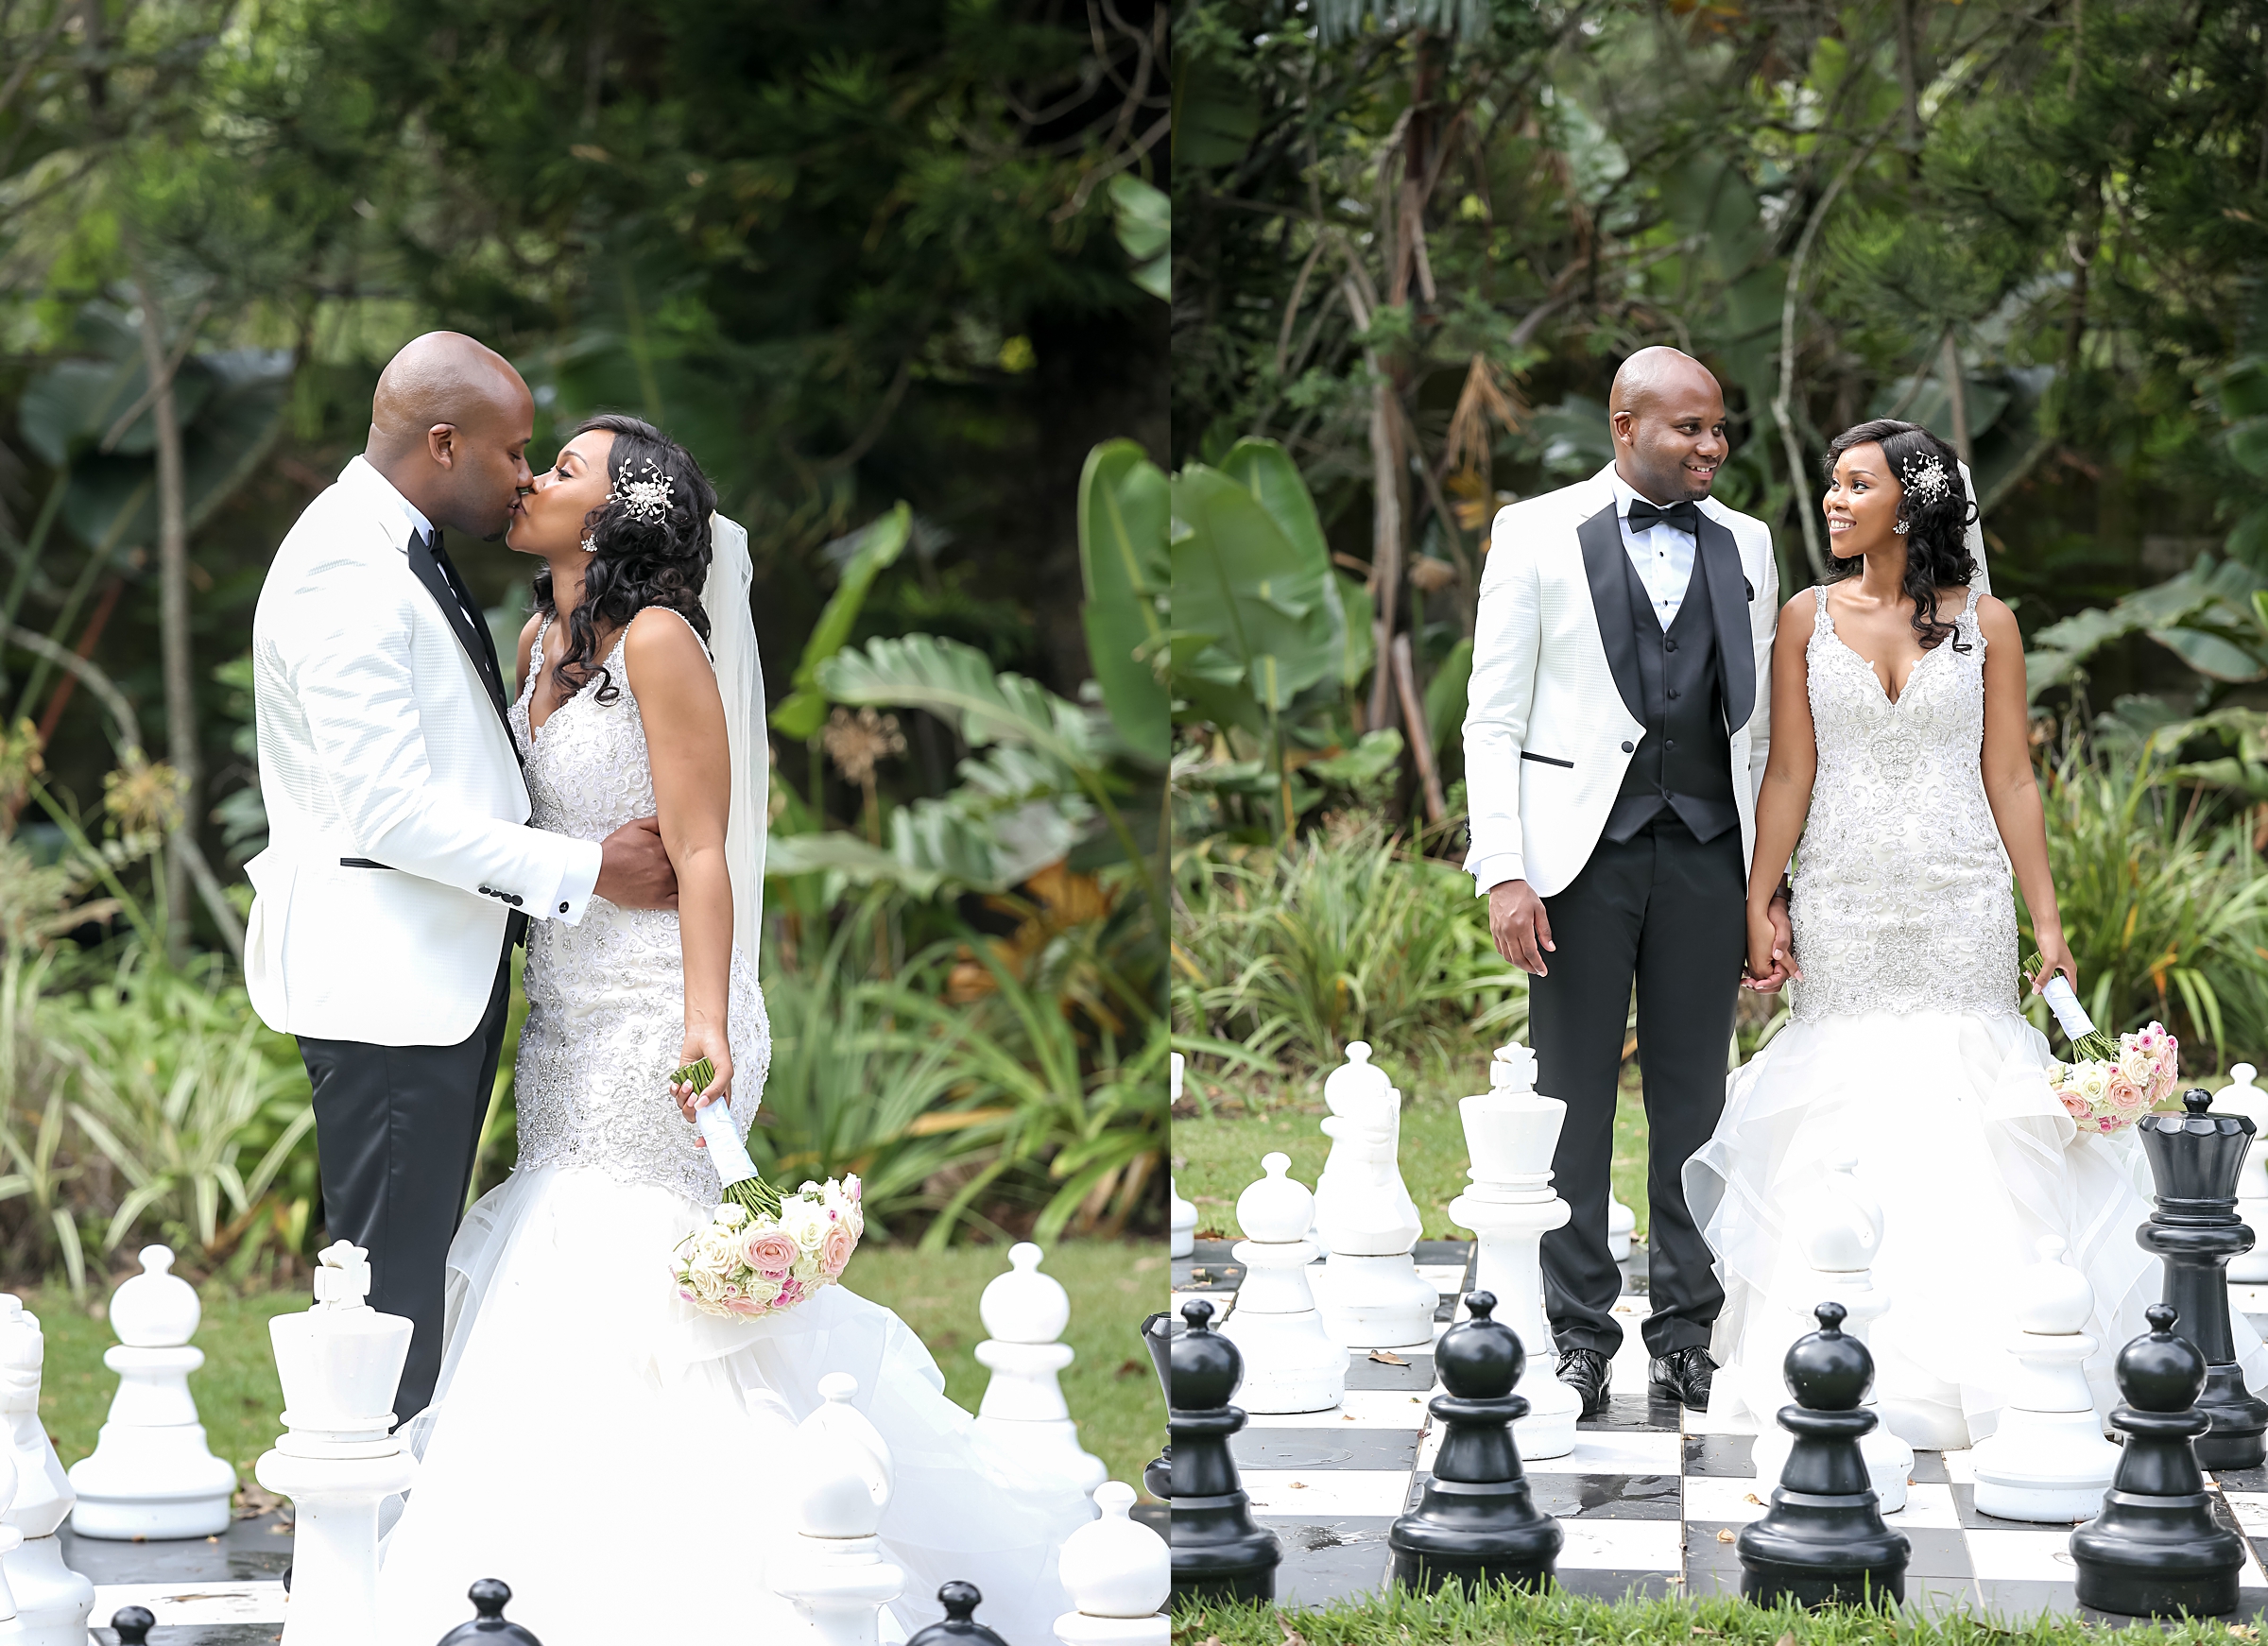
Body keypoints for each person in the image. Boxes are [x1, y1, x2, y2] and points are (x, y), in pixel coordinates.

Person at [372, 415, 1092, 1642]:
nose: (534, 478)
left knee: (629, 1269)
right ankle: (563, 1568)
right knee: (569, 1261)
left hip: (661, 1005)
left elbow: (703, 851)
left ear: (618, 514)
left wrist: (704, 1019)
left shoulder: (659, 641)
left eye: (565, 468)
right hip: (568, 1011)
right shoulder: (542, 640)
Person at [1684, 417, 2264, 1448]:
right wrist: (1758, 901)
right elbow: (1788, 773)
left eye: (1855, 485)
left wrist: (2048, 920)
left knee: (1967, 1087)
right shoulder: (1804, 617)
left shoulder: (1989, 623)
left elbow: (2012, 777)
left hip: (1961, 898)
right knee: (1844, 1088)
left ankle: (1998, 1351)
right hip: (1845, 895)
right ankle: (1834, 1341)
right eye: (1832, 483)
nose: (1833, 501)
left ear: (1908, 506)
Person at [245, 334, 679, 1424]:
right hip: (388, 983)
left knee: (404, 1273)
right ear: (444, 443)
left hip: (431, 973)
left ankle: (391, 1500)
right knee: (387, 1294)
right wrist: (590, 868)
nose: (522, 474)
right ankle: (361, 1515)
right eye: (512, 450)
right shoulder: (347, 568)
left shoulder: (397, 548)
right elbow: (388, 812)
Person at [1461, 346, 1782, 1415]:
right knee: (1572, 1101)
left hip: (1707, 850)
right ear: (1625, 425)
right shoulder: (1533, 531)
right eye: (1690, 427)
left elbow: (1760, 731)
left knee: (1698, 1099)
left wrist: (1767, 887)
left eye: (1719, 427)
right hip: (1574, 861)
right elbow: (1492, 718)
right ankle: (1578, 1332)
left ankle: (1687, 1329)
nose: (1712, 445)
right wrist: (1506, 870)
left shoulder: (1747, 541)